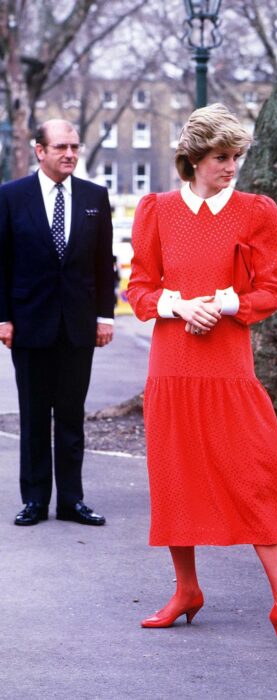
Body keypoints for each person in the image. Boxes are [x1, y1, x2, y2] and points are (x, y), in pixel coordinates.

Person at [127, 103, 277, 649]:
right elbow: (139, 288)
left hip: (229, 368)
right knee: (175, 476)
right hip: (172, 367)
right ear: (193, 159)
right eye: (221, 156)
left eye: (237, 155)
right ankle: (186, 591)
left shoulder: (257, 211)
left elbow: (272, 291)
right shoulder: (156, 210)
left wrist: (227, 300)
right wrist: (178, 307)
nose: (231, 165)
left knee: (257, 477)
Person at [0, 119, 114, 527]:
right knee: (33, 416)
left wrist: (104, 316)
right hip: (29, 325)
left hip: (78, 327)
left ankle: (71, 501)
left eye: (74, 147)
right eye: (61, 147)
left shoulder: (94, 197)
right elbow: (2, 263)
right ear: (40, 151)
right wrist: (3, 318)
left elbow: (105, 264)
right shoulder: (11, 197)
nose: (69, 154)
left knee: (70, 416)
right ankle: (34, 500)